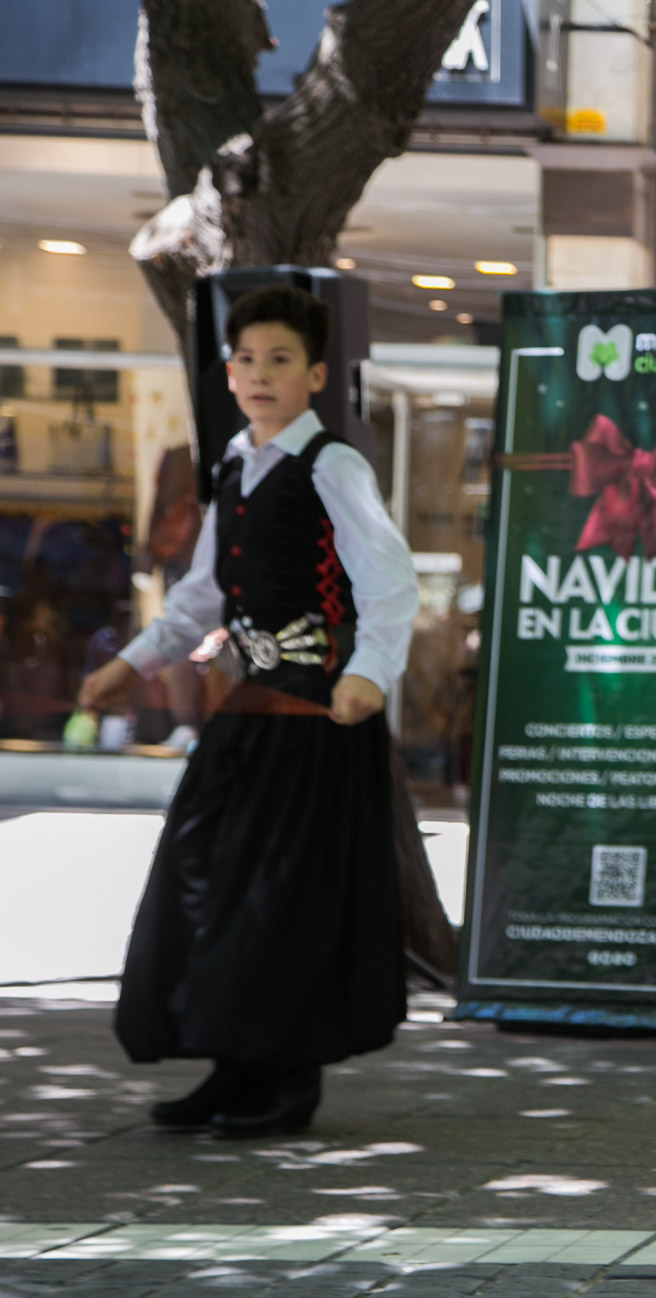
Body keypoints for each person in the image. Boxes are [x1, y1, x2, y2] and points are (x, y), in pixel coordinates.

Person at [77, 285, 418, 1137]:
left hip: (317, 718)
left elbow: (390, 581)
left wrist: (370, 674)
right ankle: (233, 1063)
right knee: (211, 879)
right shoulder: (233, 466)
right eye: (247, 360)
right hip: (252, 711)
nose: (261, 374)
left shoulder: (333, 466)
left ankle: (288, 1076)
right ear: (228, 374)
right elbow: (202, 597)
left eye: (280, 360)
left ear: (315, 376)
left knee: (284, 895)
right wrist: (130, 663)